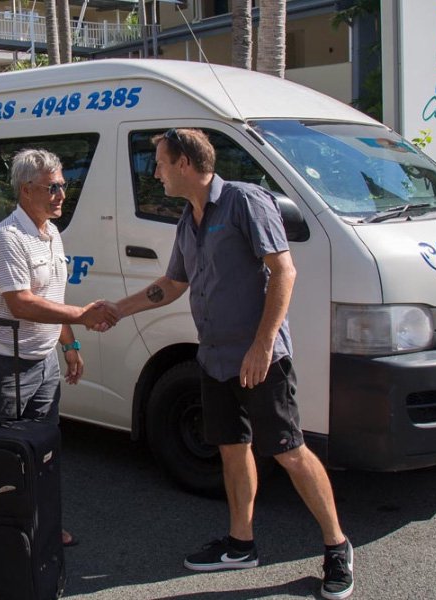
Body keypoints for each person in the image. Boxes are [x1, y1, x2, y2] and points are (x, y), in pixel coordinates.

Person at [110, 129, 354, 599]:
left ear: (183, 163)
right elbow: (173, 284)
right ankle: (241, 543)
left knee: (289, 449)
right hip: (215, 356)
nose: (154, 172)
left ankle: (337, 545)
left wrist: (262, 346)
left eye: (159, 163)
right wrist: (118, 309)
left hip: (260, 357)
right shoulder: (188, 219)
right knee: (231, 447)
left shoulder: (245, 201)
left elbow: (284, 270)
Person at [0, 148, 118, 547]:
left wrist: (70, 345)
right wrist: (83, 315)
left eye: (63, 186)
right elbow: (21, 303)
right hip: (4, 364)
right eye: (52, 187)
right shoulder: (7, 237)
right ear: (26, 190)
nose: (61, 195)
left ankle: (40, 526)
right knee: (2, 451)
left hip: (44, 362)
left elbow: (53, 294)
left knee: (42, 449)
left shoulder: (51, 233)